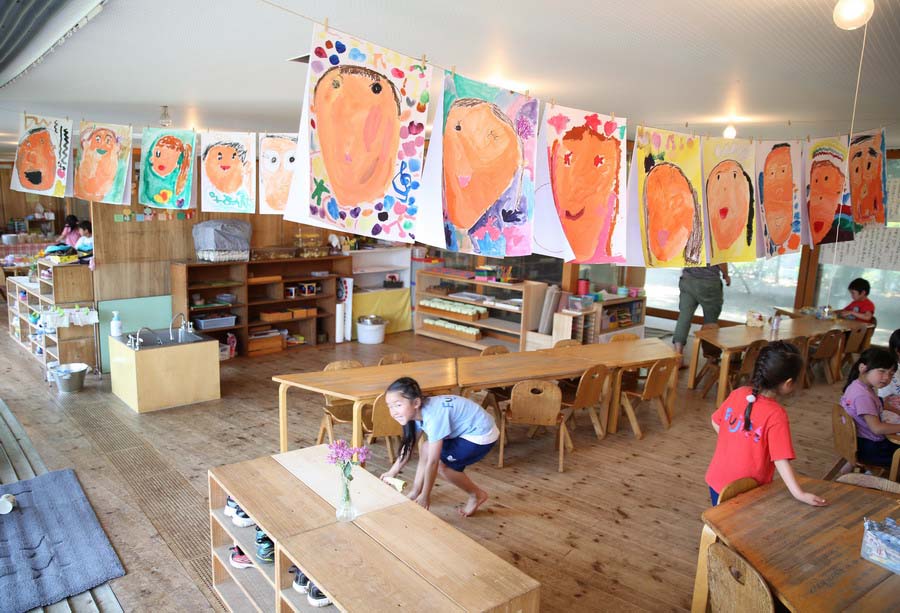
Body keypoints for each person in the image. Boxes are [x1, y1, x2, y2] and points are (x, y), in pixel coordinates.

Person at [705, 341, 827, 507]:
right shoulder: (776, 414)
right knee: (743, 522)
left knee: (719, 519)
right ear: (788, 383)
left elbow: (715, 421)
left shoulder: (738, 393)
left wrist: (736, 441)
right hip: (749, 488)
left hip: (718, 479)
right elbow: (780, 459)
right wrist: (799, 494)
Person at [379, 377, 498, 517]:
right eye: (390, 406)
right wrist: (392, 471)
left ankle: (476, 495)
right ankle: (415, 491)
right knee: (426, 448)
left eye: (398, 405)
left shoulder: (433, 417)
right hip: (469, 427)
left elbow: (433, 462)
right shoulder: (414, 413)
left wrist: (426, 495)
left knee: (444, 466)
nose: (393, 412)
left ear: (416, 402)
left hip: (481, 434)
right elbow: (409, 446)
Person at [840, 347, 900, 467]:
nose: (887, 377)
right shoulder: (863, 396)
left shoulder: (857, 386)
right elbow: (877, 428)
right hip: (872, 449)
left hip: (858, 443)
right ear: (863, 368)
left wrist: (896, 410)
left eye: (891, 374)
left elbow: (879, 401)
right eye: (882, 371)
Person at [672, 264, 731, 361]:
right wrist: (726, 275)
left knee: (684, 318)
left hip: (687, 280)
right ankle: (711, 357)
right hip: (709, 282)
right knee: (710, 321)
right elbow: (721, 260)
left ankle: (678, 355)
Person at [877, 329, 900, 424]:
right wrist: (898, 412)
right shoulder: (889, 371)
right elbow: (883, 402)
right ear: (897, 351)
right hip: (892, 410)